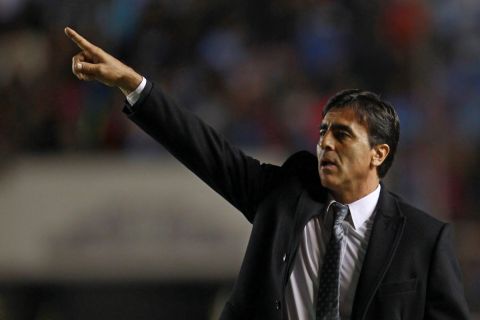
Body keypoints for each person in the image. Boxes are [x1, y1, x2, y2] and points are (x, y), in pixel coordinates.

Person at [64, 27, 471, 320]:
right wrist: (133, 84)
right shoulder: (285, 193)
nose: (326, 143)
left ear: (378, 154)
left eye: (342, 135)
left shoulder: (423, 240)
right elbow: (207, 152)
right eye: (323, 131)